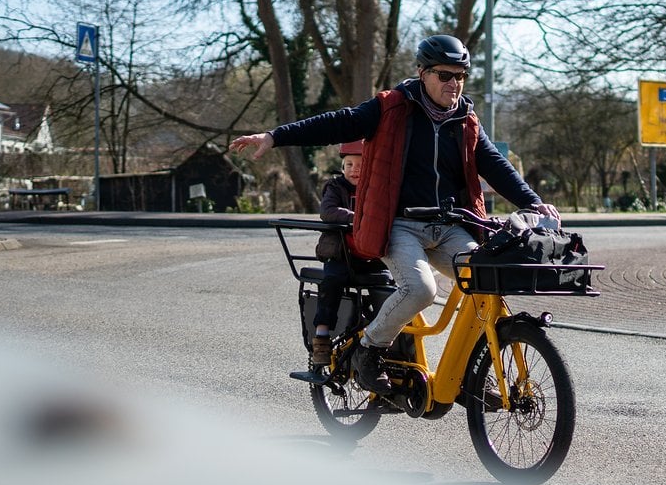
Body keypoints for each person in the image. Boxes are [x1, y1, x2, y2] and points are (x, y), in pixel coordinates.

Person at [230, 34, 560, 393]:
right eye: (444, 75)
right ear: (422, 72)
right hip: (398, 224)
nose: (454, 83)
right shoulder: (391, 108)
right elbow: (339, 122)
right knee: (420, 289)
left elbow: (495, 165)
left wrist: (532, 202)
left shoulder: (465, 119)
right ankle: (369, 350)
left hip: (449, 226)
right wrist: (275, 136)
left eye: (460, 75)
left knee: (489, 280)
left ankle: (474, 372)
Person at [310, 140, 377, 366]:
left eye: (360, 164)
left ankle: (388, 337)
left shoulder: (376, 188)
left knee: (390, 285)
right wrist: (357, 218)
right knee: (332, 281)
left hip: (369, 255)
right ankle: (321, 336)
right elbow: (328, 212)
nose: (354, 169)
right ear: (342, 168)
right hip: (340, 253)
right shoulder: (335, 187)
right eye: (349, 164)